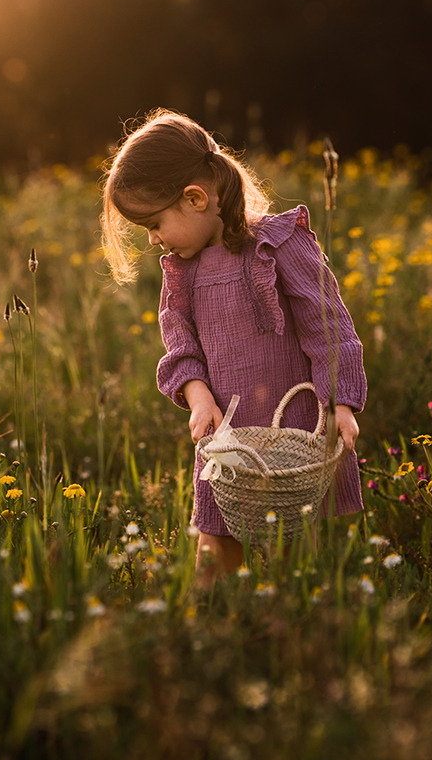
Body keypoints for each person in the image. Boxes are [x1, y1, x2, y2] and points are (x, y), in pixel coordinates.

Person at [101, 109, 366, 583]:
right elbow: (179, 342)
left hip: (296, 431)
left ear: (195, 198)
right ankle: (211, 632)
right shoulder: (183, 268)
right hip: (226, 436)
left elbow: (328, 324)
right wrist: (197, 396)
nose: (154, 239)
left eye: (155, 224)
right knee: (215, 546)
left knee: (295, 547)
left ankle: (286, 631)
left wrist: (341, 402)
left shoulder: (279, 243)